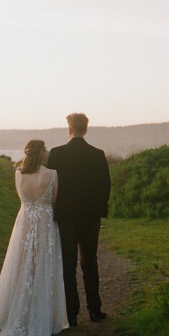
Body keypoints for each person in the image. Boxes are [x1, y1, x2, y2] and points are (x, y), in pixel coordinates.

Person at [0, 139, 69, 336]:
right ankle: (41, 318)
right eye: (45, 149)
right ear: (41, 152)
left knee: (22, 264)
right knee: (43, 265)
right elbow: (53, 200)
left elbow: (23, 200)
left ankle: (15, 312)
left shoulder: (19, 174)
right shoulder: (52, 175)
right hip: (45, 223)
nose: (48, 152)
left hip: (24, 223)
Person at [47, 113, 112, 325]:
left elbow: (50, 186)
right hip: (90, 217)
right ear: (85, 129)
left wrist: (55, 208)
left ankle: (71, 314)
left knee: (68, 265)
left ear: (69, 129)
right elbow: (105, 185)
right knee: (90, 262)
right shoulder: (97, 154)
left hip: (65, 217)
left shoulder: (56, 154)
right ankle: (94, 310)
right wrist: (99, 208)